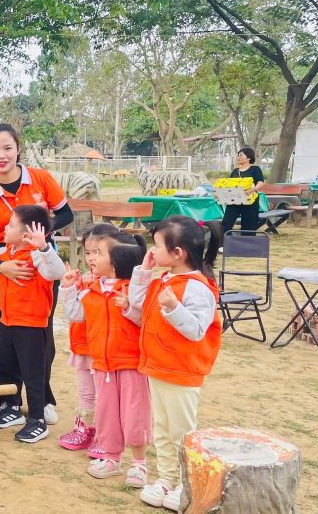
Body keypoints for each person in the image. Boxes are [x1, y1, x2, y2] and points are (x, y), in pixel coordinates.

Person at [0, 122, 73, 426]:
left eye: (7, 148)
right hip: (3, 267)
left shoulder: (40, 178)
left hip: (40, 264)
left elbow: (66, 213)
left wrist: (41, 227)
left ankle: (42, 399)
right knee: (5, 336)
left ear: (18, 149)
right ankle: (9, 400)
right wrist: (1, 266)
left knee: (40, 334)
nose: (1, 155)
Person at [125, 215, 222, 510]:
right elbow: (137, 303)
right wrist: (144, 271)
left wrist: (173, 307)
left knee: (182, 432)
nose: (152, 251)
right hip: (157, 367)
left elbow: (196, 330)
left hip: (181, 372)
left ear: (178, 253)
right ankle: (167, 478)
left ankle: (187, 483)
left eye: (157, 246)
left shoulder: (198, 288)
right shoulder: (165, 279)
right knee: (163, 430)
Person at [60, 229, 152, 486]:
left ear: (117, 260)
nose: (92, 258)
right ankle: (112, 459)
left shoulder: (133, 289)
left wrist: (129, 307)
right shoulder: (92, 290)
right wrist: (68, 288)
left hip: (131, 364)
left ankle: (139, 463)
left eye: (99, 253)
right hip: (101, 365)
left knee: (135, 414)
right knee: (107, 413)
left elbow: (146, 321)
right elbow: (76, 314)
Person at [0, 205, 65, 442]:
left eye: (11, 225)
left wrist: (44, 247)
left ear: (26, 234)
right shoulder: (8, 251)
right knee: (9, 366)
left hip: (31, 325)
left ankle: (37, 419)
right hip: (8, 321)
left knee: (33, 373)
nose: (5, 228)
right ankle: (12, 408)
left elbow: (56, 271)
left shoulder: (37, 255)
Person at [220, 147, 265, 234]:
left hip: (250, 201)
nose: (238, 157)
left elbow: (260, 182)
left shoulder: (255, 169)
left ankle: (247, 241)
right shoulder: (235, 171)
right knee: (226, 223)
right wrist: (220, 193)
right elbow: (229, 185)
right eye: (238, 155)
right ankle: (222, 241)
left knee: (249, 226)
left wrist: (252, 190)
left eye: (241, 155)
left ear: (249, 158)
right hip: (234, 201)